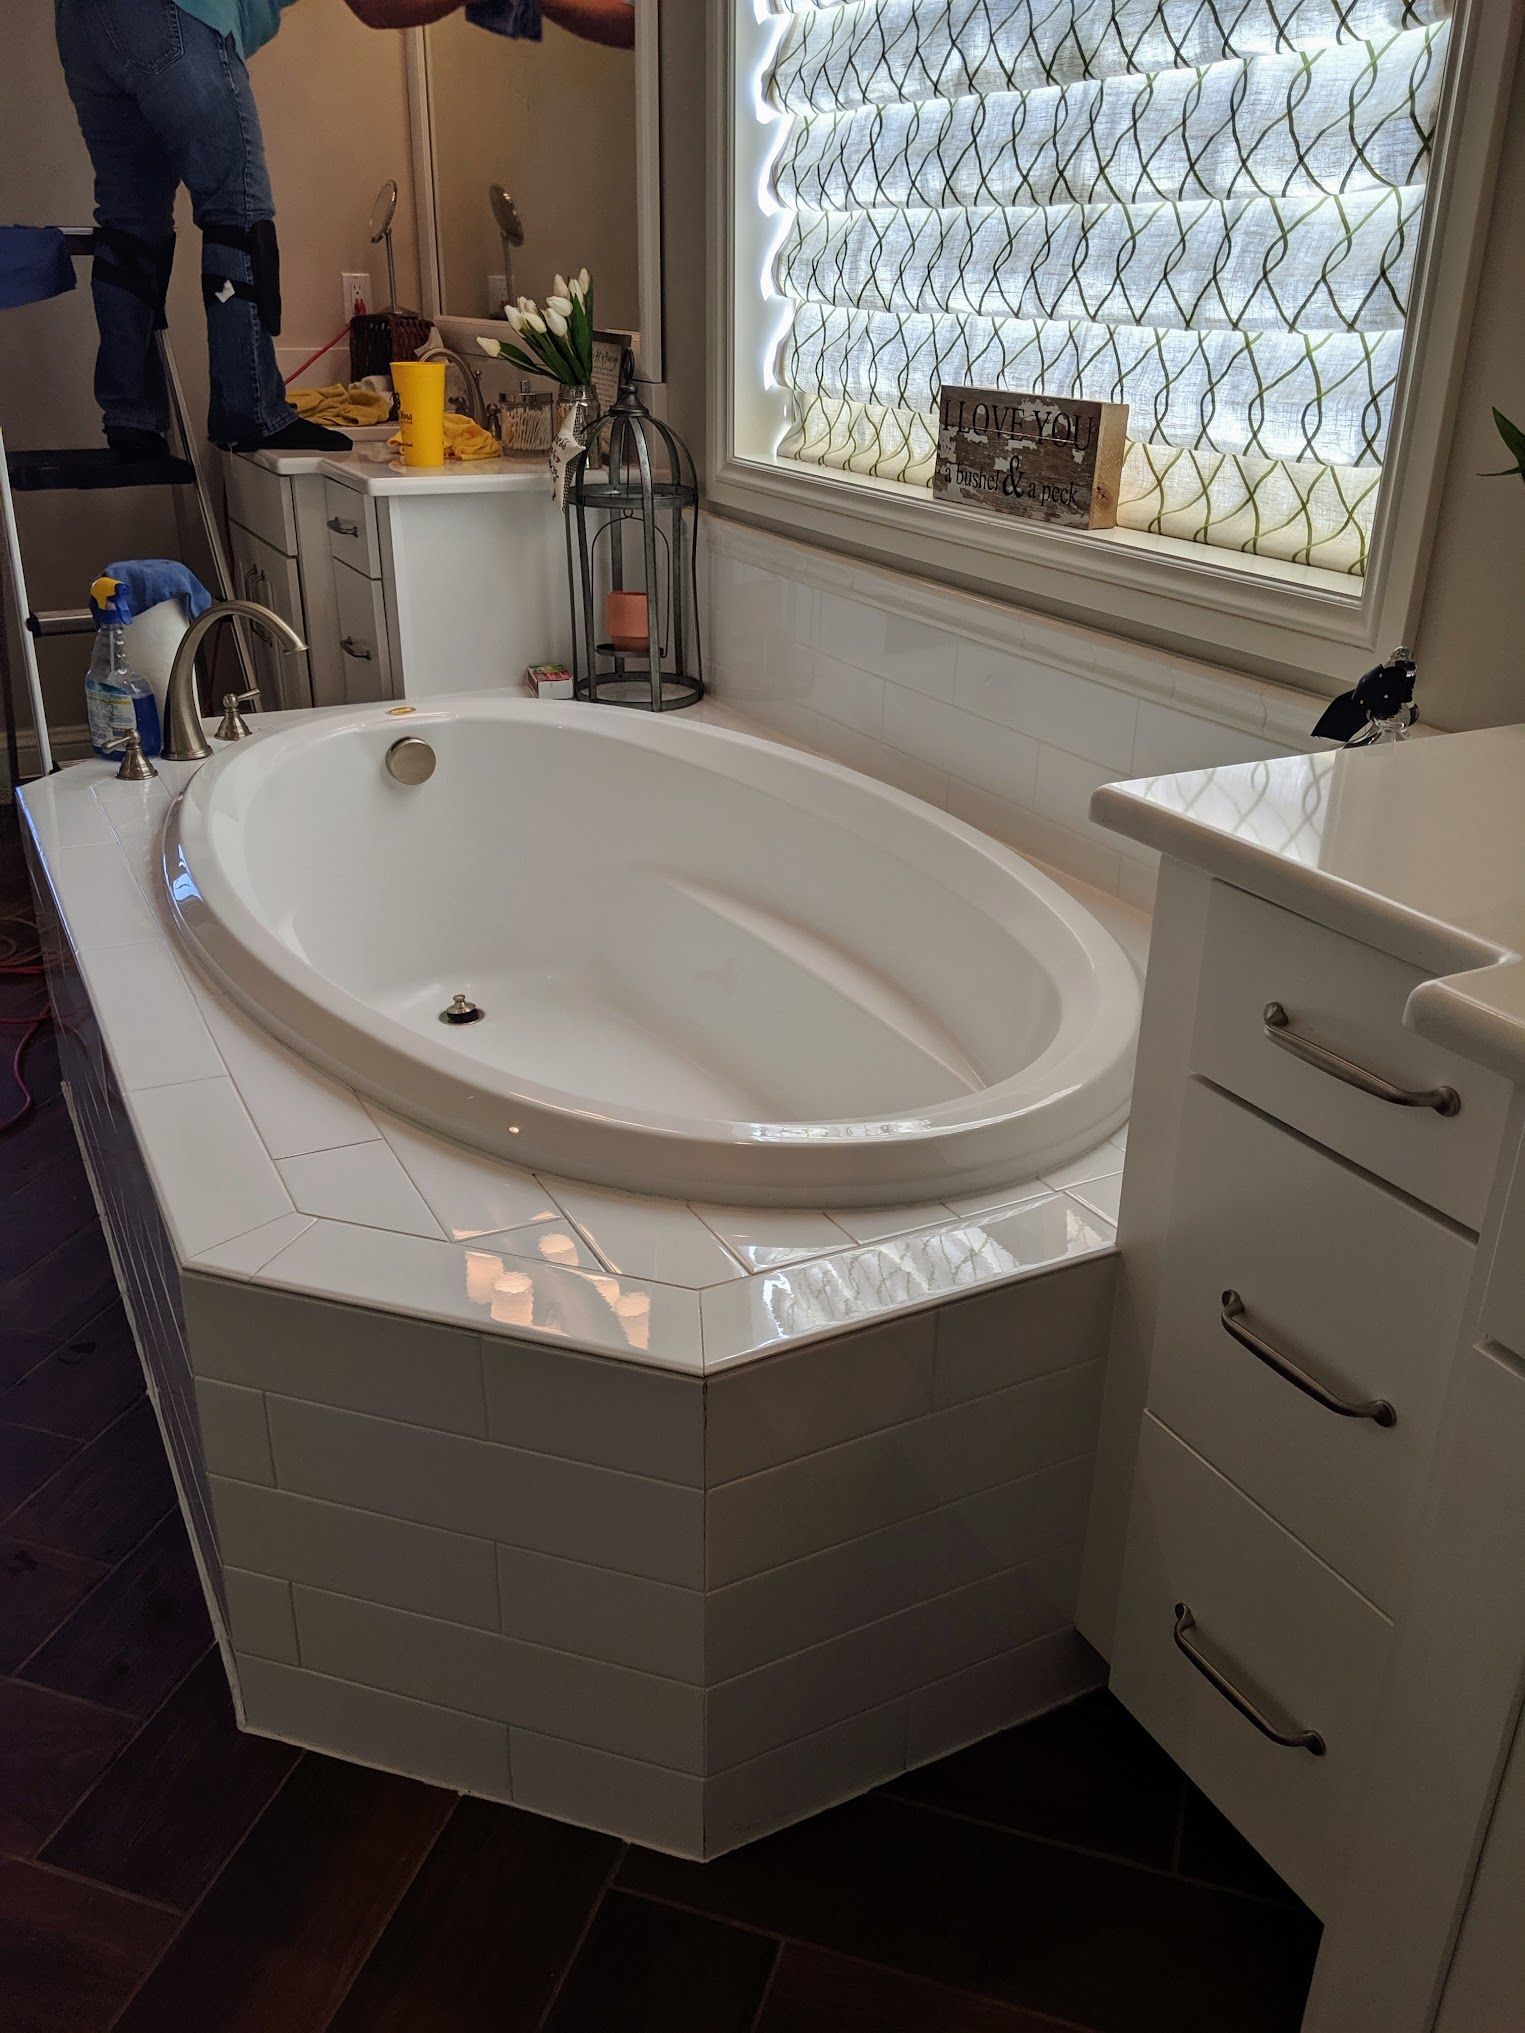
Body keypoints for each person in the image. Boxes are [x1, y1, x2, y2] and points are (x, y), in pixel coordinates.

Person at [53, 0, 636, 458]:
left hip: (82, 22)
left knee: (130, 224)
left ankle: (130, 414)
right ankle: (251, 410)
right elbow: (378, 6)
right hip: (175, 12)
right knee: (237, 209)